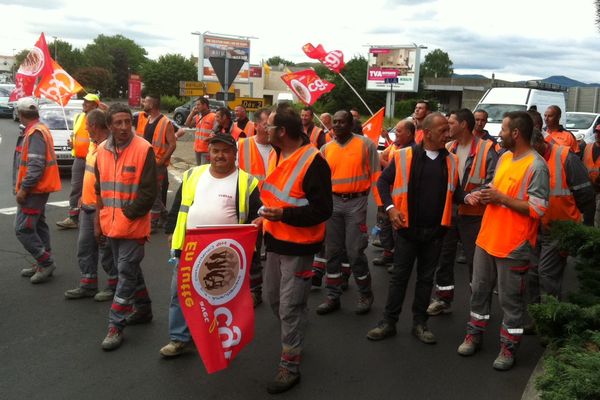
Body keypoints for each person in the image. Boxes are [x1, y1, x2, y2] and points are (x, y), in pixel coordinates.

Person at [366, 112, 475, 344]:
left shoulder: (452, 160)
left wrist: (468, 198)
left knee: (426, 280)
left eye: (448, 129)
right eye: (442, 130)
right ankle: (388, 322)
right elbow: (383, 182)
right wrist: (390, 208)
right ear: (426, 133)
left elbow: (454, 192)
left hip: (436, 232)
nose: (448, 134)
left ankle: (420, 323)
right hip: (407, 230)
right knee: (399, 278)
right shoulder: (405, 156)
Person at [457, 111, 549, 371]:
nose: (500, 133)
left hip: (514, 246)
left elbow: (538, 209)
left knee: (510, 302)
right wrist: (482, 194)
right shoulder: (505, 157)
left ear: (516, 133)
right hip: (487, 239)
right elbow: (496, 188)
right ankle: (473, 335)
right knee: (478, 293)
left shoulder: (536, 165)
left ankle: (508, 349)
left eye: (505, 130)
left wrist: (501, 199)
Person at [254, 103, 332, 394]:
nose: (263, 129)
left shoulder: (315, 162)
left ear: (282, 132)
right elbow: (277, 195)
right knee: (274, 299)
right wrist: (263, 217)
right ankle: (297, 329)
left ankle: (290, 366)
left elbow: (323, 210)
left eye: (268, 126)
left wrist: (283, 215)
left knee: (289, 307)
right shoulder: (278, 152)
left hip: (300, 247)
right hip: (275, 242)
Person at [160, 133, 261, 358]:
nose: (219, 155)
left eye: (225, 151)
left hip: (225, 253)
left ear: (234, 154)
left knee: (219, 297)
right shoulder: (193, 175)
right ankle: (179, 339)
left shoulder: (247, 182)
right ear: (209, 153)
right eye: (215, 151)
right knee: (182, 294)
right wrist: (169, 231)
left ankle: (216, 339)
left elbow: (256, 218)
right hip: (190, 248)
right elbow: (179, 206)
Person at [95, 103, 157, 351]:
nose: (123, 127)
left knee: (124, 273)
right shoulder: (101, 150)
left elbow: (149, 192)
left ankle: (115, 325)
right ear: (109, 125)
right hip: (110, 225)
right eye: (117, 123)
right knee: (128, 270)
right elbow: (99, 188)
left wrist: (127, 215)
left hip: (132, 226)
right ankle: (143, 310)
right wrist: (99, 221)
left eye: (126, 122)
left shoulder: (143, 149)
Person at [428, 109, 497, 316]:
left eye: (451, 122)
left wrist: (470, 195)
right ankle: (443, 298)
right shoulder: (448, 148)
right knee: (444, 257)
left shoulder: (487, 148)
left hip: (474, 216)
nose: (447, 126)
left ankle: (478, 305)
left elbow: (494, 180)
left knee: (475, 262)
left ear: (464, 125)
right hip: (449, 213)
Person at [316, 110, 381, 316]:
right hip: (333, 204)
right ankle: (332, 296)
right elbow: (321, 182)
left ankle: (365, 294)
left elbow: (377, 176)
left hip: (357, 203)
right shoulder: (326, 149)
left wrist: (383, 207)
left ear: (351, 124)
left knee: (354, 251)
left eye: (341, 122)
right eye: (334, 122)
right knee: (332, 252)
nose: (336, 125)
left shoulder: (366, 145)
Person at [528, 129, 594, 304]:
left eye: (533, 148)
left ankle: (551, 317)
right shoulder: (528, 158)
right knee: (532, 272)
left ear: (541, 142)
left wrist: (570, 218)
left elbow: (586, 193)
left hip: (559, 229)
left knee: (547, 273)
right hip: (535, 227)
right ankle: (538, 316)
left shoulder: (565, 156)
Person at [64, 109, 117, 301]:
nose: (85, 129)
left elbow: (107, 183)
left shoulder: (109, 148)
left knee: (105, 250)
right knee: (85, 247)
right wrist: (81, 198)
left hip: (101, 208)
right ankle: (88, 283)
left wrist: (100, 210)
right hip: (87, 205)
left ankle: (114, 285)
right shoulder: (94, 145)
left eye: (87, 126)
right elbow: (90, 176)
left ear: (94, 126)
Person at [13, 97, 61, 283]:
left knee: (22, 229)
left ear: (20, 113)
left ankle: (46, 262)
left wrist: (24, 189)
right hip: (38, 189)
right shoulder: (39, 128)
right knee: (38, 225)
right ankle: (42, 261)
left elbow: (35, 166)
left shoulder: (35, 132)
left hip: (34, 191)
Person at [237, 108, 273, 305]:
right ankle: (254, 290)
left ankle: (276, 292)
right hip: (250, 207)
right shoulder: (242, 146)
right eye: (267, 124)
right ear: (257, 125)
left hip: (275, 208)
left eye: (273, 125)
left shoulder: (280, 148)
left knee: (276, 254)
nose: (270, 129)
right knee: (251, 251)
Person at [373, 119, 417, 268]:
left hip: (401, 201)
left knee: (397, 232)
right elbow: (383, 158)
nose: (395, 134)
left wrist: (385, 165)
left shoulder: (412, 152)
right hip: (388, 197)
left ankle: (399, 261)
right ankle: (388, 253)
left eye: (399, 131)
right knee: (385, 227)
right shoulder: (395, 145)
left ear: (409, 133)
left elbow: (395, 171)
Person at [56, 93, 100, 229]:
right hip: (79, 159)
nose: (84, 104)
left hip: (94, 160)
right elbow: (77, 135)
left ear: (95, 105)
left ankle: (96, 217)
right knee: (76, 189)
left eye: (88, 102)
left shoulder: (100, 119)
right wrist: (72, 143)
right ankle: (73, 218)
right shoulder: (78, 117)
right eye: (84, 101)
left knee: (95, 190)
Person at [134, 95, 176, 232]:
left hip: (158, 164)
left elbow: (172, 144)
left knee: (154, 192)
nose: (142, 103)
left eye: (145, 101)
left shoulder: (165, 122)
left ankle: (154, 220)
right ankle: (165, 216)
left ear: (151, 105)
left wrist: (162, 161)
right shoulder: (148, 119)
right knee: (150, 191)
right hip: (147, 162)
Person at [185, 97, 216, 165]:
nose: (196, 107)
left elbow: (217, 133)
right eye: (196, 105)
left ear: (205, 105)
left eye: (198, 105)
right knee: (199, 170)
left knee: (204, 171)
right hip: (197, 149)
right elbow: (187, 124)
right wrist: (192, 113)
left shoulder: (213, 116)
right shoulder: (198, 116)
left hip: (206, 150)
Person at [582, 124, 600, 226]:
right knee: (587, 219)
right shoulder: (587, 147)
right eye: (597, 132)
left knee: (597, 220)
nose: (598, 134)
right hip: (587, 190)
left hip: (598, 191)